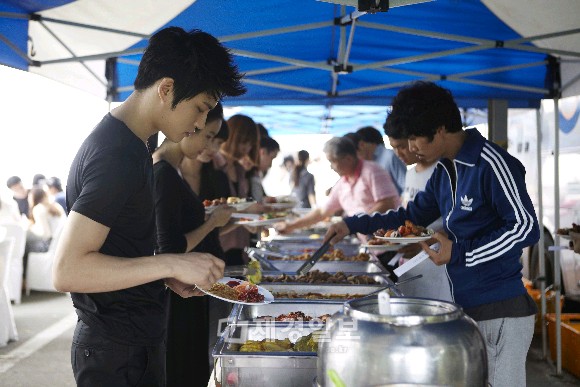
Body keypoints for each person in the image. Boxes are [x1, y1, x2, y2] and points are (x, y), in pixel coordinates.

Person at [52, 27, 245, 387]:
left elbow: (118, 249)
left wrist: (164, 275)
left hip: (129, 341)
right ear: (167, 88)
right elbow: (68, 269)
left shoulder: (131, 144)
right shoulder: (117, 154)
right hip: (116, 350)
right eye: (200, 109)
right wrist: (171, 261)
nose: (200, 123)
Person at [324, 81, 540, 387]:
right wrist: (352, 224)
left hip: (501, 310)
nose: (410, 148)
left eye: (414, 139)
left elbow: (525, 227)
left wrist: (461, 251)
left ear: (439, 130)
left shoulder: (490, 163)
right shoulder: (445, 170)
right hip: (463, 305)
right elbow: (409, 216)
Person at [152, 104, 234, 387]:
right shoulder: (163, 172)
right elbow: (169, 247)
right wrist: (211, 223)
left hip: (188, 288)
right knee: (182, 368)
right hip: (177, 295)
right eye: (207, 135)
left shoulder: (170, 170)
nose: (207, 145)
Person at [275, 136, 400, 236]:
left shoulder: (372, 171)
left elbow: (386, 204)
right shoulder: (342, 182)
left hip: (387, 240)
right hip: (366, 240)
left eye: (333, 161)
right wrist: (290, 226)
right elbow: (322, 212)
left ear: (348, 159)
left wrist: (354, 224)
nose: (331, 166)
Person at [385, 122, 451, 301]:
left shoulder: (442, 171)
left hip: (437, 260)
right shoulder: (410, 173)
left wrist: (424, 242)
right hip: (410, 261)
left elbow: (456, 223)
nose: (399, 153)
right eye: (394, 148)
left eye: (402, 146)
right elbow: (409, 214)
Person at [218, 114, 260, 265]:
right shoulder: (214, 165)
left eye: (250, 144)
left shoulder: (240, 170)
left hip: (241, 245)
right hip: (219, 246)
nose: (246, 148)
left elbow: (243, 206)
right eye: (243, 142)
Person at [356, 126, 407, 196]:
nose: (357, 152)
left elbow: (406, 187)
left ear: (364, 144)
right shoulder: (368, 162)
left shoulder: (390, 156)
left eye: (358, 146)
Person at [250, 136, 280, 203]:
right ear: (262, 152)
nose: (270, 165)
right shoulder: (247, 174)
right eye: (271, 158)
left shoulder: (256, 174)